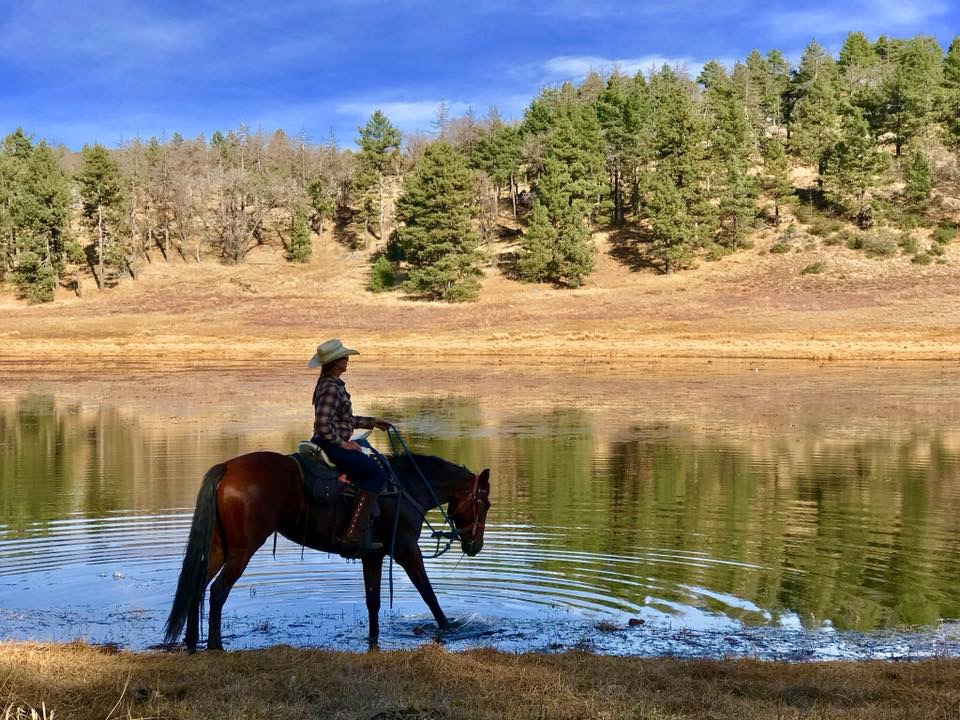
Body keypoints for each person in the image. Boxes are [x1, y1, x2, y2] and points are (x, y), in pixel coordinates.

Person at [308, 339, 391, 553]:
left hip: (330, 442)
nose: (347, 360)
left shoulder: (331, 383)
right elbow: (322, 424)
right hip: (330, 444)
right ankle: (352, 535)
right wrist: (343, 444)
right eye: (344, 357)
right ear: (335, 362)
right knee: (376, 474)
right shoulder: (331, 387)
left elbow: (343, 419)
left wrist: (372, 422)